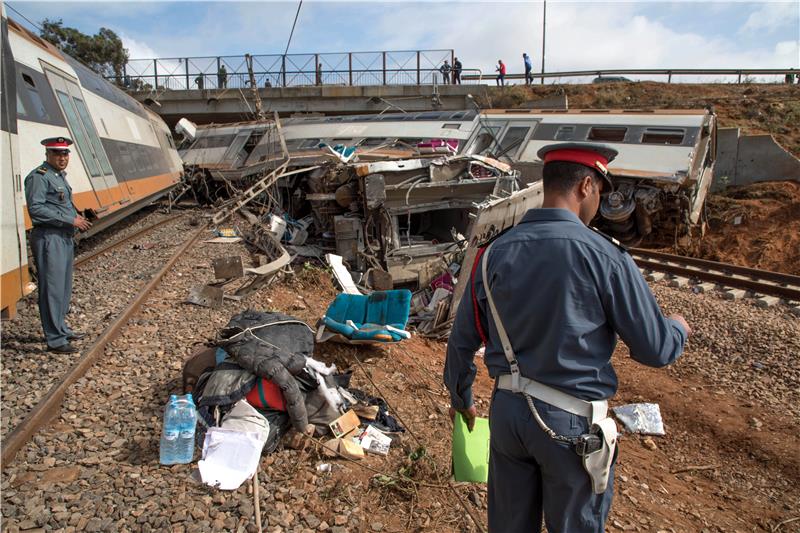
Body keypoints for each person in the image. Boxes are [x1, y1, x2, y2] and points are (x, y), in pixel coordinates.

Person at [444, 142, 691, 533]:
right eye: (600, 193)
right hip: (570, 425)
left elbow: (462, 339)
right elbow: (655, 349)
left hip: (508, 414)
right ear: (586, 186)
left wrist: (462, 397)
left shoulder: (492, 253)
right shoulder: (606, 257)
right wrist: (677, 327)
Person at [24, 138, 92, 354]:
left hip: (62, 237)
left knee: (62, 287)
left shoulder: (58, 176)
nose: (62, 158)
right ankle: (55, 339)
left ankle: (61, 328)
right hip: (48, 237)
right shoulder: (39, 177)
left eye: (65, 154)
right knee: (52, 289)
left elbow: (60, 204)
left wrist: (77, 215)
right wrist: (70, 220)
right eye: (57, 154)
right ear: (48, 155)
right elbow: (36, 209)